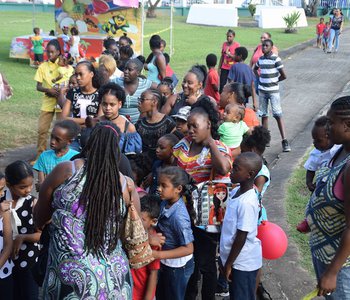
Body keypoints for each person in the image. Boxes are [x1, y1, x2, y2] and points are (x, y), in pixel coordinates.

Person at [34, 122, 137, 298]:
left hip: (70, 279)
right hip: (116, 281)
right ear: (116, 150)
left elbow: (39, 219)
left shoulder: (66, 170)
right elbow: (130, 229)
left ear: (88, 143)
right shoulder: (126, 185)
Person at [172, 96, 231, 300]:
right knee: (190, 262)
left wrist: (210, 142)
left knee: (206, 264)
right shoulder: (182, 145)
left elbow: (223, 168)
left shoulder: (219, 148)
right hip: (183, 214)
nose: (190, 130)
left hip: (206, 217)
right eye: (188, 126)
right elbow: (172, 169)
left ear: (208, 124)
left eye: (195, 126)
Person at [305, 96, 350, 298]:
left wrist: (332, 272)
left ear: (347, 125)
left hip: (340, 266)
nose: (327, 128)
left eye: (331, 123)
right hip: (323, 251)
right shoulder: (340, 150)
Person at [220, 152, 263, 300]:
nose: (231, 171)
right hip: (233, 260)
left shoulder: (247, 203)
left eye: (236, 169)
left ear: (249, 174)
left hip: (242, 263)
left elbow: (241, 236)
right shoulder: (235, 191)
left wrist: (229, 264)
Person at [154, 166, 195, 300]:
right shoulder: (165, 202)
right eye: (158, 184)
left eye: (164, 186)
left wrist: (158, 254)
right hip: (167, 262)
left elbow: (189, 248)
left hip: (177, 267)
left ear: (178, 189)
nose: (159, 189)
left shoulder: (179, 217)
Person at [1, 161, 41, 300]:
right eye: (23, 187)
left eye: (31, 185)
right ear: (9, 185)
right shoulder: (2, 203)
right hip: (5, 262)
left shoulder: (33, 203)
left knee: (30, 295)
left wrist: (22, 238)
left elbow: (40, 235)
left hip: (28, 261)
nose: (29, 190)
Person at [254, 39, 291, 152]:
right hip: (262, 91)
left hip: (273, 91)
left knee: (277, 114)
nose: (264, 47)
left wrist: (274, 81)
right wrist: (259, 78)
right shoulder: (261, 59)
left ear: (271, 47)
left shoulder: (276, 59)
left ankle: (285, 141)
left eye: (266, 46)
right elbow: (255, 69)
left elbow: (284, 75)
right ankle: (266, 140)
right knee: (264, 115)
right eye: (263, 46)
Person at [33, 39, 62, 163]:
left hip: (61, 102)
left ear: (58, 52)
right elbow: (38, 86)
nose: (50, 55)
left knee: (61, 129)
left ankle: (60, 155)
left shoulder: (63, 65)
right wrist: (48, 90)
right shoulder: (42, 66)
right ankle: (40, 156)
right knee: (42, 130)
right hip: (48, 101)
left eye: (52, 52)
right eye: (48, 52)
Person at [33, 120, 80, 191]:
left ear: (69, 141)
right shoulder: (44, 156)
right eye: (52, 137)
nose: (52, 142)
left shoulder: (76, 157)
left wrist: (43, 186)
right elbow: (41, 184)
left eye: (58, 140)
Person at [98, 82, 142, 155]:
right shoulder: (97, 122)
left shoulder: (128, 127)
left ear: (120, 104)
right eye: (104, 104)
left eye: (112, 104)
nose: (108, 108)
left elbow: (132, 158)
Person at [131, 195, 161, 300]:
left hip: (141, 295)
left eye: (142, 219)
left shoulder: (154, 243)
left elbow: (153, 274)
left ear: (153, 221)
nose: (137, 222)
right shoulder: (131, 232)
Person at [112, 58, 155, 124]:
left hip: (139, 125)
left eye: (130, 70)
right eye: (125, 69)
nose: (126, 72)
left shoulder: (145, 84)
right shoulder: (115, 82)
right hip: (118, 125)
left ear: (138, 73)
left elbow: (162, 89)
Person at [136, 88, 176, 159]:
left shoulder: (168, 123)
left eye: (142, 99)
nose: (139, 102)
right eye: (139, 99)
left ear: (154, 102)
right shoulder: (140, 123)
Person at [62, 61, 101, 127]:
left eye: (81, 74)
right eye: (76, 74)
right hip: (75, 133)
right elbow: (63, 118)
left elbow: (99, 120)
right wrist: (89, 121)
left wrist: (73, 120)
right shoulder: (73, 92)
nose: (78, 78)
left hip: (93, 134)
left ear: (91, 74)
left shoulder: (100, 94)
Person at [0, 172, 14, 300]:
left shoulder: (4, 211)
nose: (1, 194)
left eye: (2, 189)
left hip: (3, 272)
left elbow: (8, 244)